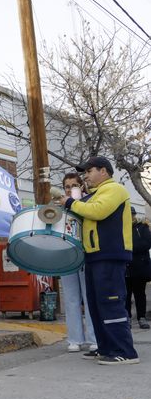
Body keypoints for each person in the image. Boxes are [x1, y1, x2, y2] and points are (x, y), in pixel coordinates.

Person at [57, 156, 138, 365]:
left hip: (110, 253)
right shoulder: (94, 194)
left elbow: (98, 211)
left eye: (89, 171)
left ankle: (124, 351)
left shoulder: (114, 190)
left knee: (111, 303)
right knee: (95, 304)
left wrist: (71, 202)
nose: (86, 176)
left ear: (104, 171)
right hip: (94, 255)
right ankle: (106, 347)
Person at [59, 173, 97, 353]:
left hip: (85, 253)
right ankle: (74, 339)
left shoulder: (88, 203)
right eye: (67, 186)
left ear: (82, 186)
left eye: (74, 185)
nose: (70, 188)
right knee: (71, 298)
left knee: (89, 297)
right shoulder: (61, 206)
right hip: (66, 255)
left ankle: (93, 338)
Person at [126, 207, 151, 330]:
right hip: (125, 267)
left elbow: (147, 243)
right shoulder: (120, 228)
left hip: (139, 267)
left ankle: (142, 317)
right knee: (126, 295)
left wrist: (129, 248)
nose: (129, 216)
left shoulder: (142, 227)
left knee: (140, 294)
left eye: (131, 214)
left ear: (134, 215)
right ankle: (127, 318)